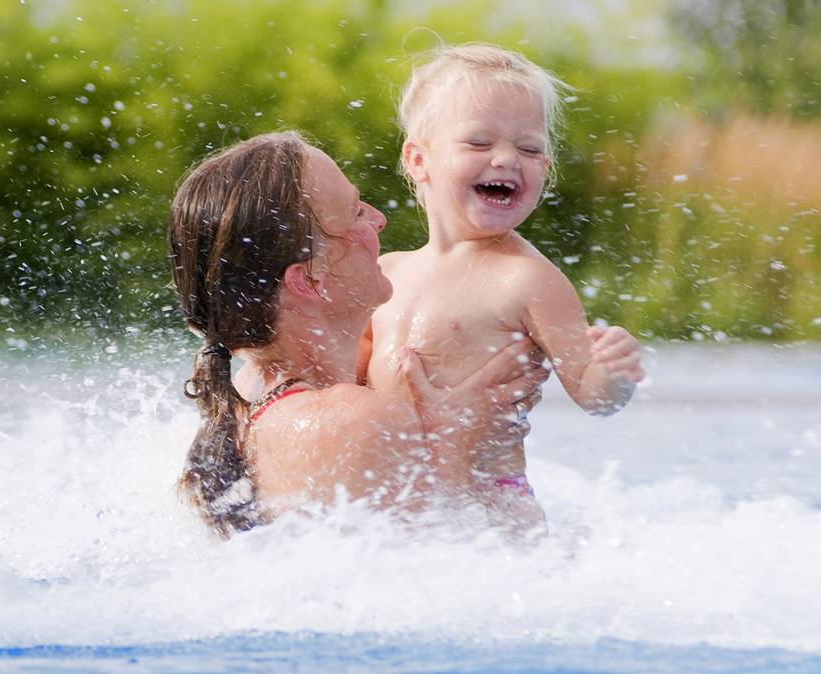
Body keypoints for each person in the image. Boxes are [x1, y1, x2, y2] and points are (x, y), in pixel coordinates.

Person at [168, 131, 548, 539]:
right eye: (354, 214)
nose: (377, 218)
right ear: (309, 281)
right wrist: (458, 448)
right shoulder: (354, 422)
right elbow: (436, 578)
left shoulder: (245, 396)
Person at [361, 44, 645, 529]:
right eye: (478, 143)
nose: (507, 159)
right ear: (418, 159)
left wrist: (613, 375)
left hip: (490, 503)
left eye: (530, 149)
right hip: (400, 493)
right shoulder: (387, 272)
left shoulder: (527, 279)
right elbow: (347, 380)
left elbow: (592, 395)